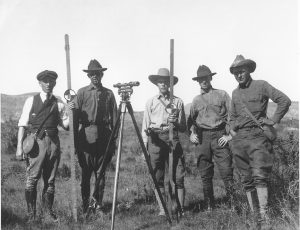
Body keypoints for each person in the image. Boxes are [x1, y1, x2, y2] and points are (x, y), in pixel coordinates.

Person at [228, 55, 291, 229]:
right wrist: (232, 127)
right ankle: (255, 216)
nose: (239, 75)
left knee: (260, 177)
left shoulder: (261, 85)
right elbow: (232, 116)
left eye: (242, 71)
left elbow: (283, 100)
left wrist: (274, 120)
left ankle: (265, 217)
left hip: (258, 139)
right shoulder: (235, 93)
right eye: (236, 73)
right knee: (246, 180)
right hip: (240, 141)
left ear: (248, 70)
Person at [16, 70, 69, 222]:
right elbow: (22, 125)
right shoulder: (31, 101)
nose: (48, 84)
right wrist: (19, 147)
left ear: (54, 83)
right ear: (39, 83)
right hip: (35, 144)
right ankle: (31, 214)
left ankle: (48, 213)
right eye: (45, 81)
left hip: (53, 144)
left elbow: (66, 125)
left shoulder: (59, 103)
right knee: (32, 179)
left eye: (51, 81)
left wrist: (72, 111)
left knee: (50, 181)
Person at [68, 59, 117, 214]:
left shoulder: (109, 94)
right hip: (86, 139)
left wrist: (113, 142)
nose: (94, 76)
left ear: (102, 74)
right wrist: (75, 143)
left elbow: (115, 120)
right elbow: (74, 118)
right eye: (91, 74)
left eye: (97, 73)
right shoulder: (81, 93)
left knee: (101, 175)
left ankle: (98, 205)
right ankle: (85, 206)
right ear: (88, 76)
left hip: (104, 138)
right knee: (86, 175)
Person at [187, 65, 234, 211]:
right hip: (202, 138)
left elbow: (233, 117)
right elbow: (190, 122)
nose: (203, 81)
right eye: (200, 79)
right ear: (198, 81)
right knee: (205, 173)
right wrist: (191, 134)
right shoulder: (195, 100)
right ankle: (209, 206)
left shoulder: (222, 95)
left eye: (205, 78)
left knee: (226, 171)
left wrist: (229, 136)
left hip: (220, 136)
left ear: (210, 78)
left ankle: (234, 204)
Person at [142, 68, 187, 216]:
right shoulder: (151, 102)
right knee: (157, 176)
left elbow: (183, 127)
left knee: (178, 175)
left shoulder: (178, 102)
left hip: (172, 137)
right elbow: (145, 126)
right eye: (160, 82)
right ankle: (163, 209)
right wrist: (145, 148)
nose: (163, 84)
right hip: (155, 139)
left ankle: (179, 209)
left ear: (170, 83)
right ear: (156, 84)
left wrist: (176, 122)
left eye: (166, 82)